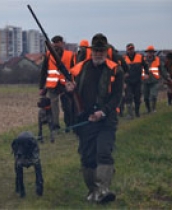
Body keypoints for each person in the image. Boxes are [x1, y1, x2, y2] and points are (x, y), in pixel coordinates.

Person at [65, 33, 124, 204]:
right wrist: (69, 91)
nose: (98, 53)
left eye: (101, 50)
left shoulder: (115, 70)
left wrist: (103, 112)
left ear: (106, 51)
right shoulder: (79, 69)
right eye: (96, 50)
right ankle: (93, 190)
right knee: (87, 157)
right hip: (86, 120)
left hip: (106, 120)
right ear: (91, 51)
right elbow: (72, 97)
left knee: (104, 153)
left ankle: (103, 190)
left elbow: (116, 97)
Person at [39, 35, 75, 131]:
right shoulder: (48, 54)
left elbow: (74, 70)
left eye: (58, 42)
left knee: (67, 106)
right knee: (54, 107)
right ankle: (55, 126)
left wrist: (73, 82)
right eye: (54, 43)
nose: (56, 44)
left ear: (62, 43)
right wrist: (41, 87)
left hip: (65, 85)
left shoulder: (70, 55)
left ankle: (69, 125)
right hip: (52, 85)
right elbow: (43, 71)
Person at [123, 43, 149, 118]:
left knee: (137, 97)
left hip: (138, 81)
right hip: (128, 82)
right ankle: (130, 114)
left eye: (132, 49)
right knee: (128, 97)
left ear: (134, 49)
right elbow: (120, 69)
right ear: (127, 50)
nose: (131, 51)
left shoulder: (140, 57)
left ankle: (137, 112)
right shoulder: (123, 58)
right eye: (129, 49)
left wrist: (147, 73)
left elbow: (146, 65)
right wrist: (123, 81)